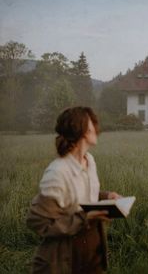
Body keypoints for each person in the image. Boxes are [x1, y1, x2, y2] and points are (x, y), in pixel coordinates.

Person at [26, 106, 121, 274]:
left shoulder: (89, 161)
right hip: (65, 257)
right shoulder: (57, 173)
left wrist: (106, 197)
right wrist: (84, 217)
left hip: (93, 251)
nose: (96, 128)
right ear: (81, 129)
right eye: (91, 123)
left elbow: (80, 196)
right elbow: (38, 222)